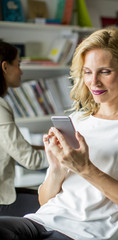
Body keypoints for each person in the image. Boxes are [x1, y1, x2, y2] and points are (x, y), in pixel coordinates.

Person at [0, 27, 118, 239]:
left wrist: (85, 168)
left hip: (88, 232)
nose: (94, 82)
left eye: (105, 71)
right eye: (88, 72)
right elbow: (44, 201)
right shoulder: (77, 120)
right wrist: (56, 168)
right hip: (44, 220)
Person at [0, 41, 47, 217]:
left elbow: (16, 150)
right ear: (5, 67)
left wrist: (49, 148)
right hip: (2, 201)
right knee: (59, 206)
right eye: (18, 64)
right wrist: (65, 155)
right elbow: (30, 160)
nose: (21, 71)